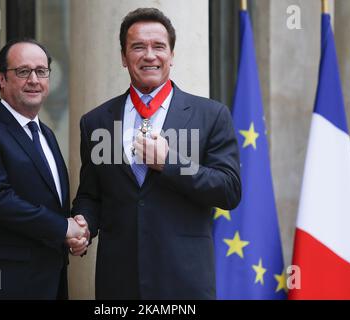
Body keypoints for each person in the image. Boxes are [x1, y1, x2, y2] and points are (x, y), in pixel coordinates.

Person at [72, 8, 241, 299]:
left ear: (171, 55)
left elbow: (228, 189)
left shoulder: (211, 115)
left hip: (184, 283)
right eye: (138, 47)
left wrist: (170, 163)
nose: (149, 55)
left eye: (159, 46)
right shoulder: (96, 122)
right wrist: (83, 225)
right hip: (118, 284)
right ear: (124, 58)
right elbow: (91, 194)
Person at [0, 39, 89, 299]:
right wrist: (63, 228)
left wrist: (74, 234)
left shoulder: (46, 134)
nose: (34, 79)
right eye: (23, 71)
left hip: (49, 282)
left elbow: (51, 202)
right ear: (1, 79)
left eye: (41, 71)